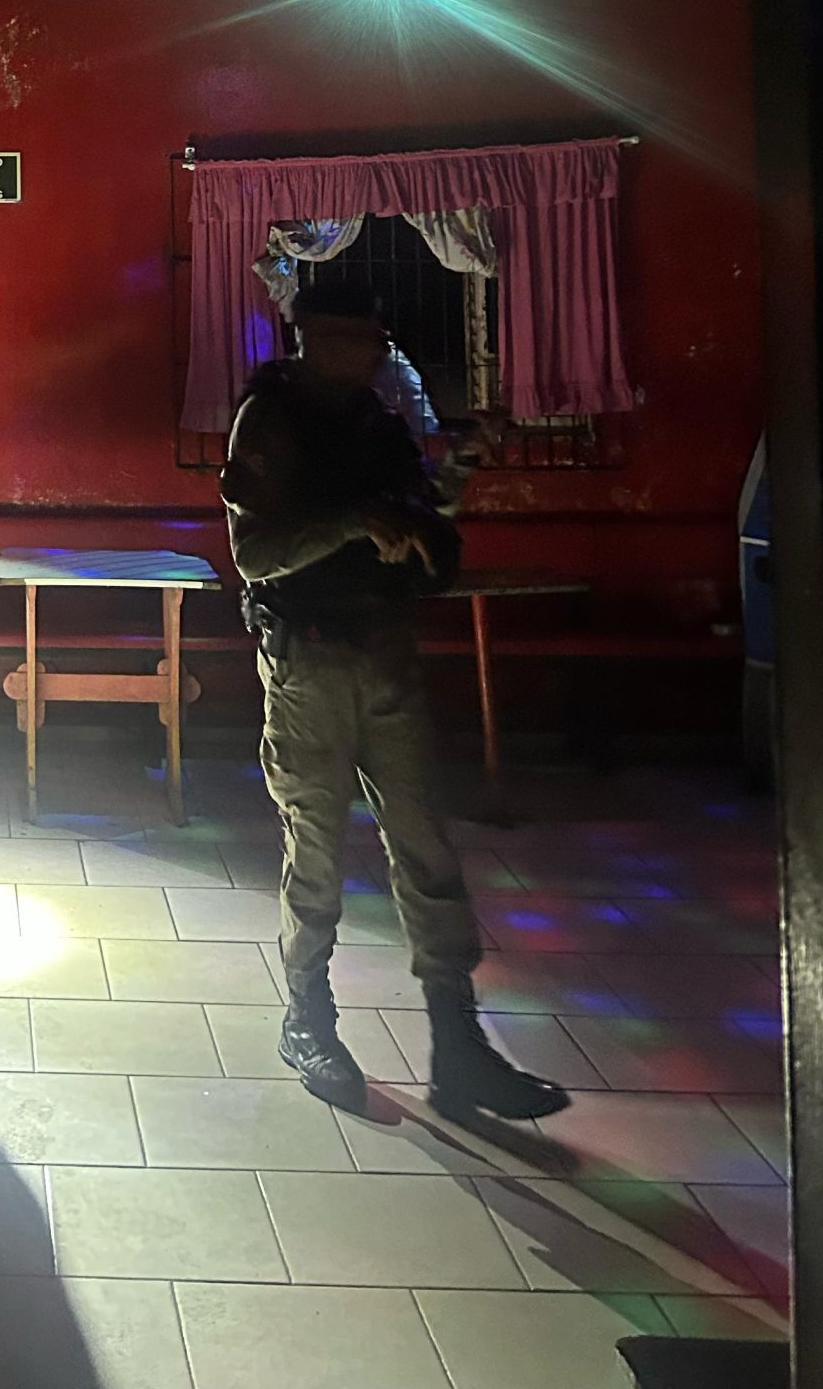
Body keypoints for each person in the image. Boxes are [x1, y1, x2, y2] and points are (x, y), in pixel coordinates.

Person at [221, 275, 569, 1123]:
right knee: (316, 849)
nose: (378, 350)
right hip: (308, 662)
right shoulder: (270, 420)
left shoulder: (374, 420)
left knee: (425, 847)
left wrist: (459, 468)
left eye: (378, 338)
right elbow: (254, 555)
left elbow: (418, 515)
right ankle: (309, 1020)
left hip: (385, 650)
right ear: (315, 336)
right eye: (362, 337)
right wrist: (353, 522)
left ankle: (458, 1045)